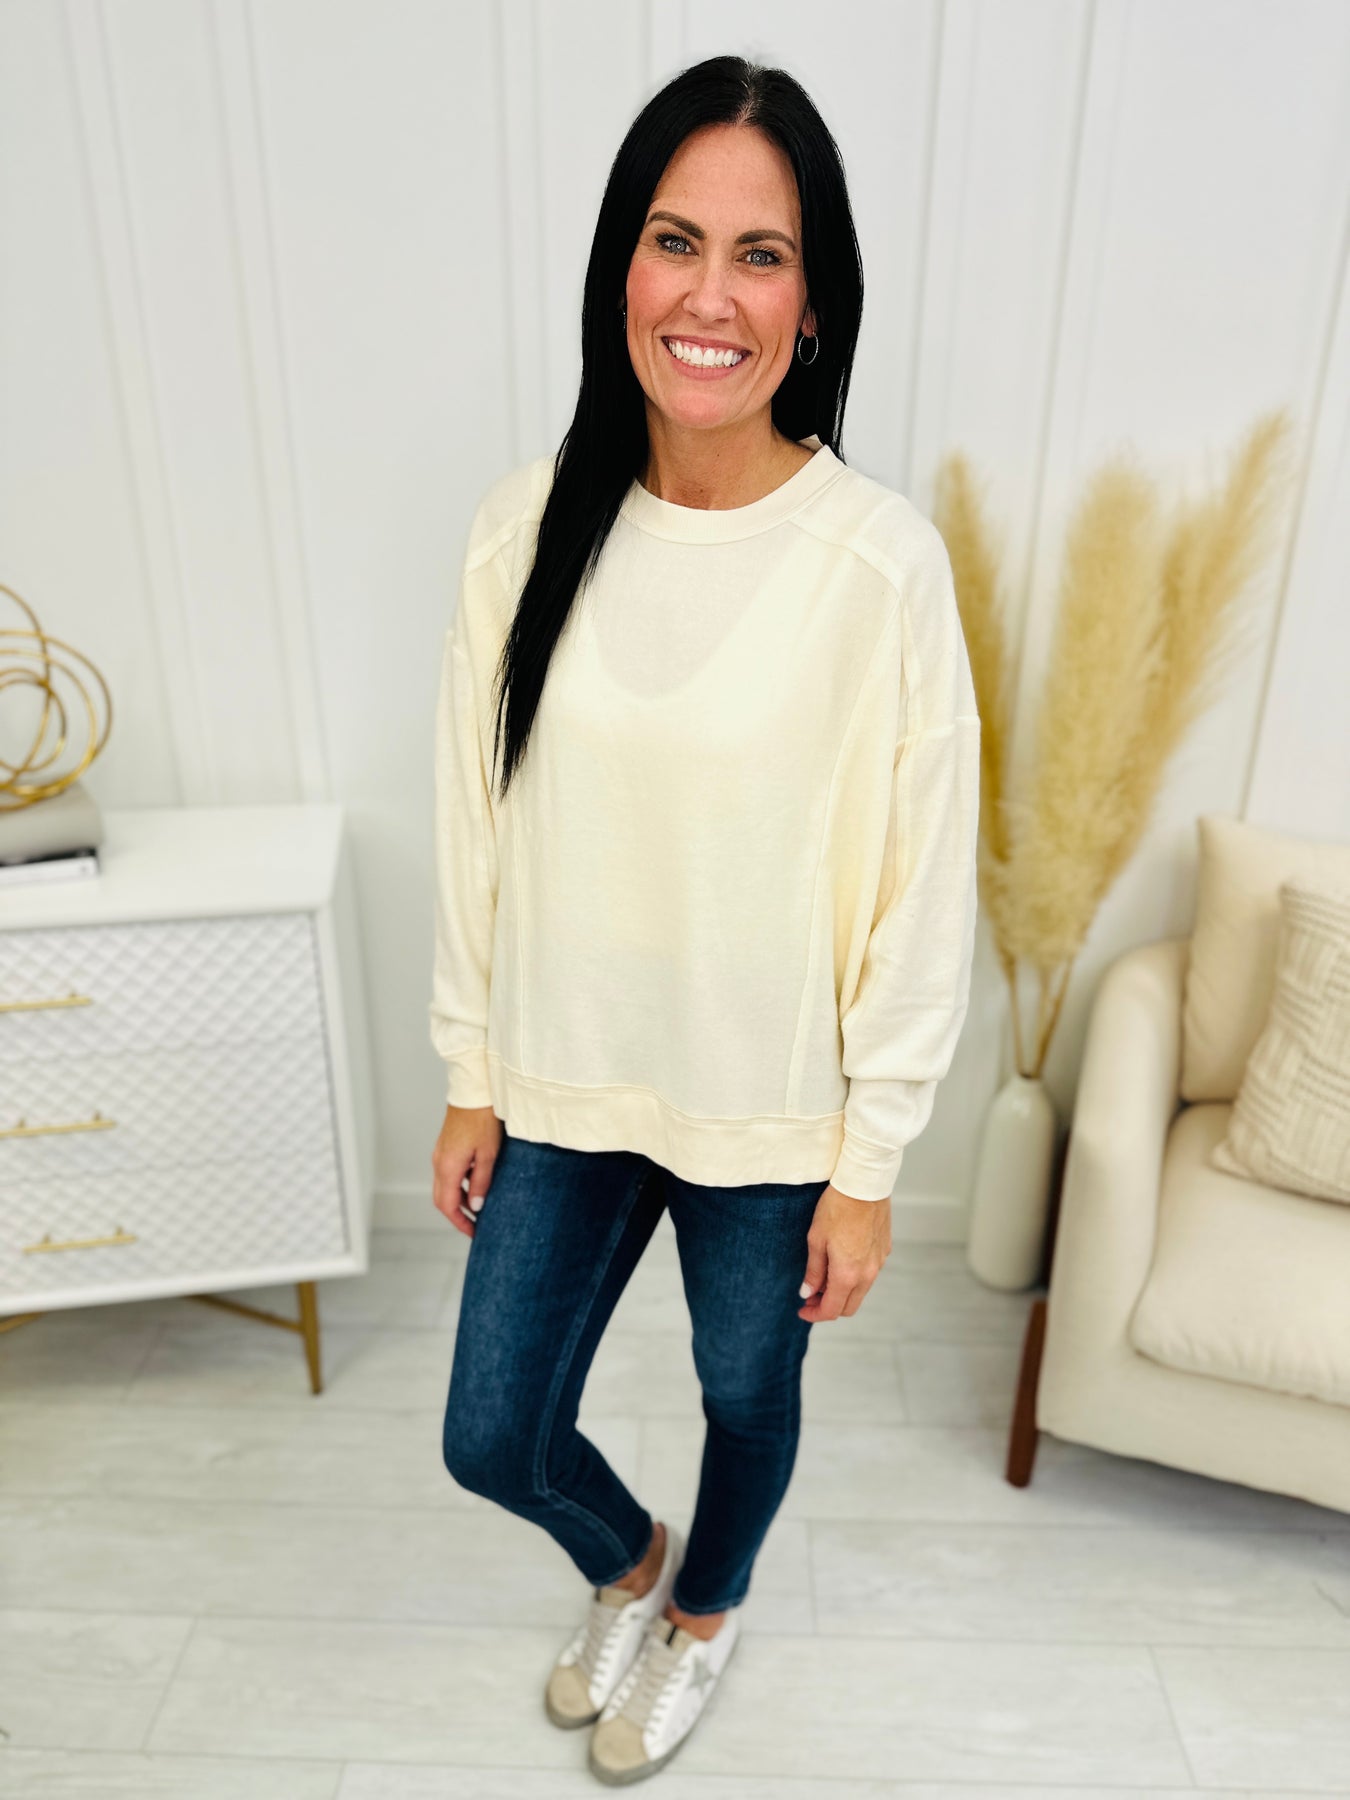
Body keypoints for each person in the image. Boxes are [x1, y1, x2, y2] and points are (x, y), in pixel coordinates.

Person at [428, 53, 980, 1788]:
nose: (710, 295)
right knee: (490, 1434)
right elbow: (474, 816)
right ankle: (632, 1566)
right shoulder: (527, 527)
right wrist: (469, 1068)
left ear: (812, 309)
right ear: (622, 267)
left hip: (772, 1115)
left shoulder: (877, 564)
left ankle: (705, 1613)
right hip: (564, 1084)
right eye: (676, 241)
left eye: (762, 255)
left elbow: (924, 879)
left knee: (748, 1396)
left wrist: (869, 1162)